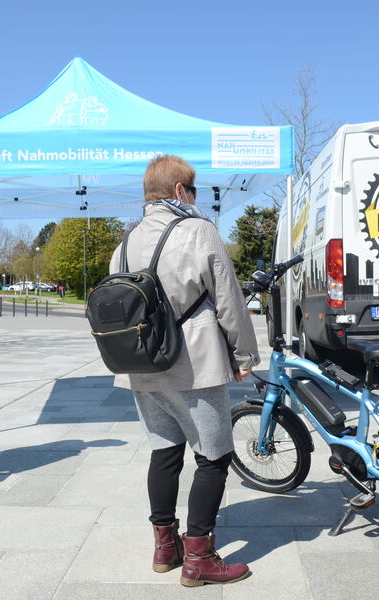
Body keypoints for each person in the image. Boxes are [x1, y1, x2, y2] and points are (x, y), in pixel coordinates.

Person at [109, 155, 259, 587]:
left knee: (164, 450)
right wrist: (244, 355)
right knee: (214, 455)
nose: (196, 199)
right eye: (193, 191)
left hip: (139, 363)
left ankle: (164, 548)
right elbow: (228, 299)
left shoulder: (124, 242)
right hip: (193, 362)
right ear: (180, 191)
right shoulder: (198, 231)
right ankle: (200, 559)